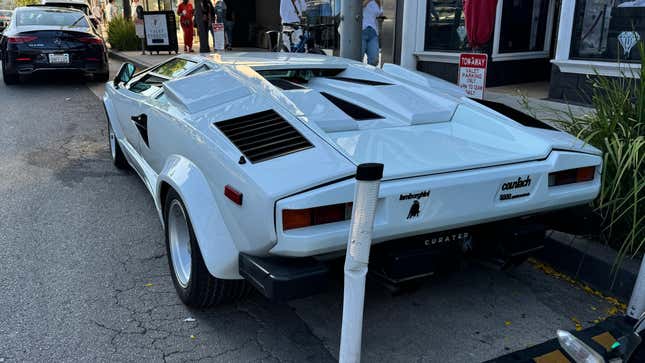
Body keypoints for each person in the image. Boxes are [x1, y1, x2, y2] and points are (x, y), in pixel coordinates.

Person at [361, 0, 382, 66]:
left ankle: (368, 75)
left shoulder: (377, 2)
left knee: (374, 61)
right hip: (361, 32)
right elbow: (357, 8)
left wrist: (381, 18)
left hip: (373, 32)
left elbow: (380, 14)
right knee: (357, 59)